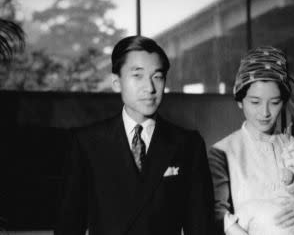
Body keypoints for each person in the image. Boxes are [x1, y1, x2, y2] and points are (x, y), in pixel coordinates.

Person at [55, 36, 214, 235]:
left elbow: (201, 227)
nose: (150, 88)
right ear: (116, 82)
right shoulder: (87, 142)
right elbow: (68, 226)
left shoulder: (188, 144)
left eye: (157, 76)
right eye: (137, 75)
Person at [208, 46, 294, 235]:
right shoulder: (222, 152)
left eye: (274, 102)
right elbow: (217, 215)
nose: (265, 113)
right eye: (255, 102)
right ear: (240, 101)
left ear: (283, 102)